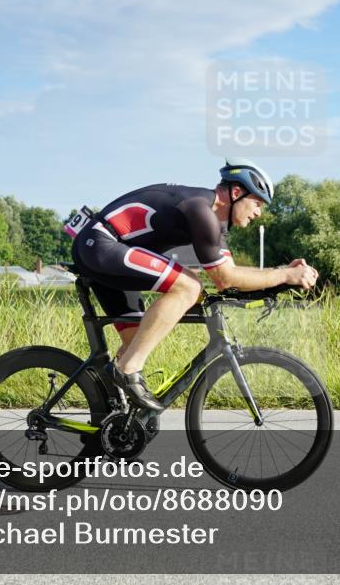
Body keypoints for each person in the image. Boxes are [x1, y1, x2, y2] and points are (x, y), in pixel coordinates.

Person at [69, 158, 319, 411]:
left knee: (137, 340)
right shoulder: (201, 210)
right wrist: (285, 275)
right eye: (256, 203)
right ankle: (126, 370)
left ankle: (114, 419)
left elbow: (232, 278)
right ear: (235, 193)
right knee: (188, 287)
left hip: (113, 255)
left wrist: (282, 276)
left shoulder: (215, 223)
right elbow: (226, 279)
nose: (258, 213)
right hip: (101, 245)